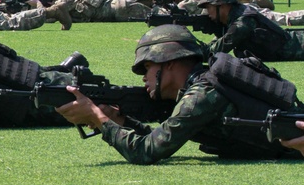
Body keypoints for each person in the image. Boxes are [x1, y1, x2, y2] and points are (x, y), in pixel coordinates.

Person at [56, 24, 302, 163]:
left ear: (169, 62)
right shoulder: (207, 85)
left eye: (148, 67)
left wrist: (98, 118)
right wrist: (117, 120)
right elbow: (164, 136)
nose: (144, 77)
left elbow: (145, 151)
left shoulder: (202, 94)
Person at [197, 0, 304, 61]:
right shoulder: (235, 17)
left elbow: (212, 52)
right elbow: (214, 44)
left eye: (208, 7)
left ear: (222, 5)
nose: (207, 12)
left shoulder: (242, 22)